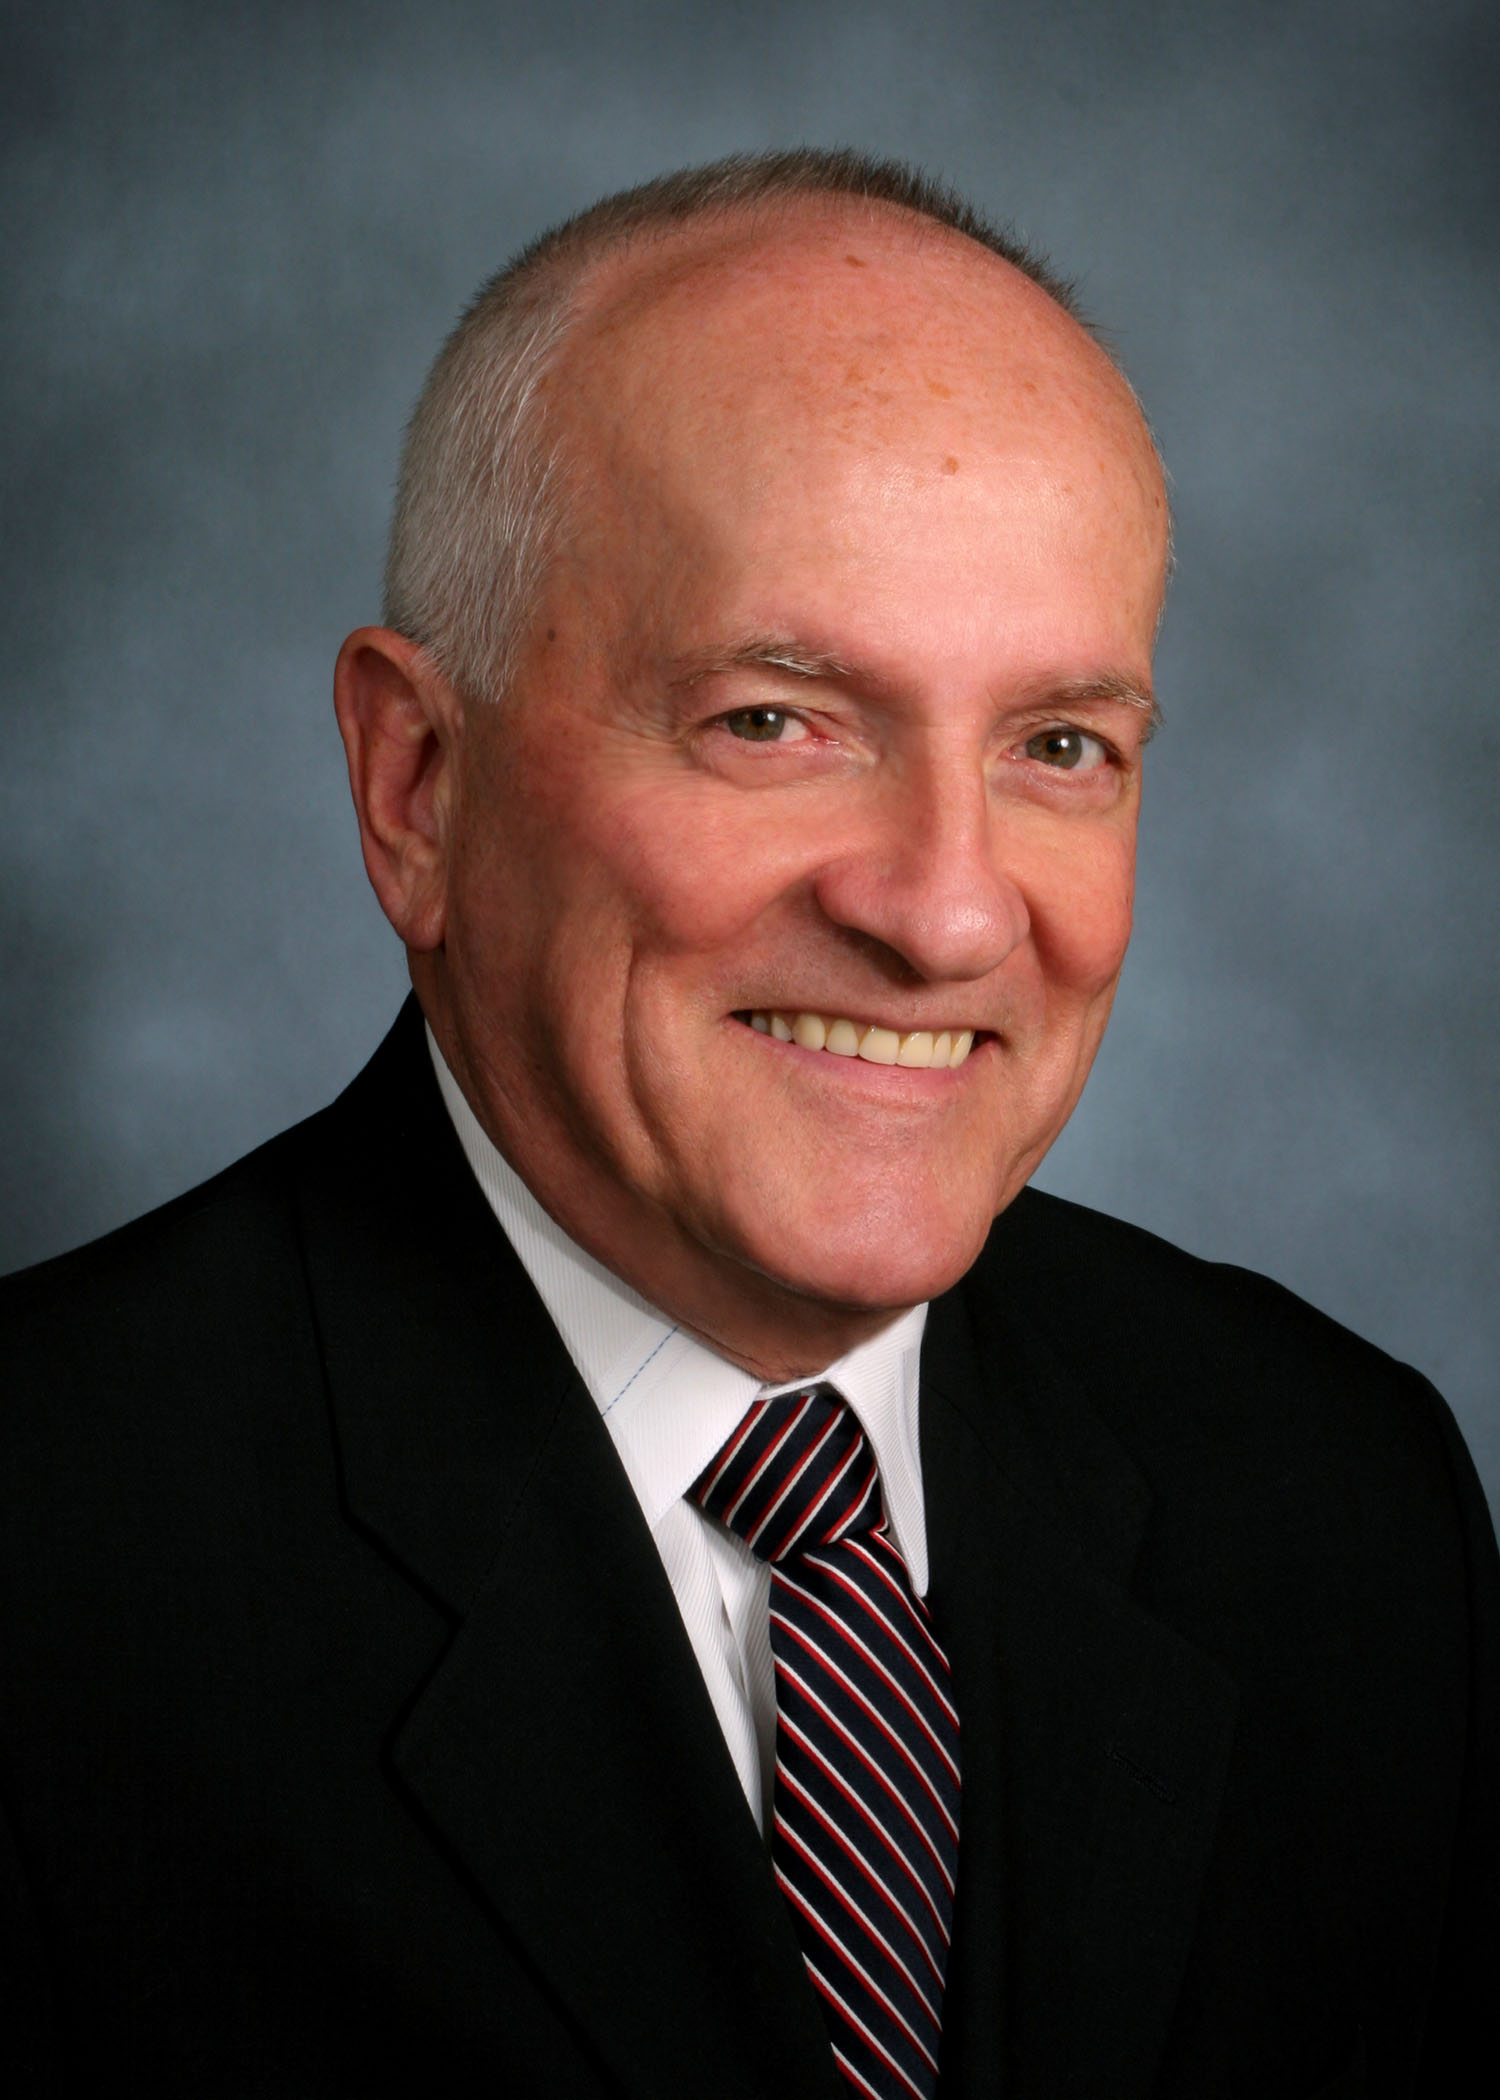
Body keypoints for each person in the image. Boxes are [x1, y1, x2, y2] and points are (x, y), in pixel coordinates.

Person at [2, 149, 1494, 2100]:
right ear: (416, 784)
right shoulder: (55, 1566)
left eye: (1059, 747)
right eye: (774, 721)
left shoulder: (1337, 1502)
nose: (947, 913)